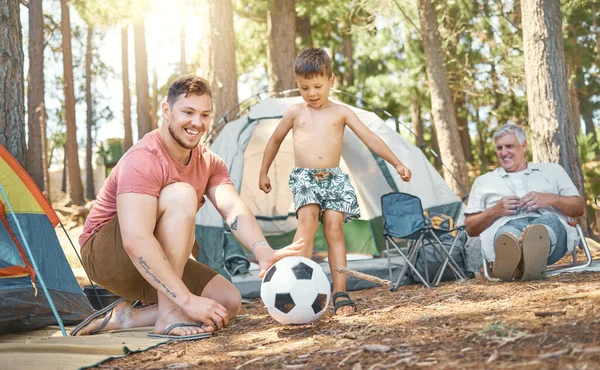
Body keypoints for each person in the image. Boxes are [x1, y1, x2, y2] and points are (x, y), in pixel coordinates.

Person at [72, 75, 304, 339]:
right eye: (188, 112)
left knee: (226, 302)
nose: (197, 123)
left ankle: (127, 318)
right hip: (106, 256)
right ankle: (169, 314)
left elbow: (232, 208)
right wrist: (185, 299)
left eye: (205, 115)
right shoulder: (143, 158)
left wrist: (262, 249)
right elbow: (135, 240)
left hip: (149, 255)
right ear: (166, 111)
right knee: (181, 194)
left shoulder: (209, 162)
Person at [258, 48, 412, 315]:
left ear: (332, 81)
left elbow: (370, 138)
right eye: (305, 88)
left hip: (334, 179)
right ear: (297, 85)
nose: (312, 93)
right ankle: (295, 288)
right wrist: (263, 171)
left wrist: (396, 162)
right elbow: (274, 141)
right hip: (305, 177)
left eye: (318, 86)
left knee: (334, 230)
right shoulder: (295, 112)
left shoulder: (341, 113)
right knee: (306, 227)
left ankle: (340, 292)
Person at [464, 124, 585, 281]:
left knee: (547, 223)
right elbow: (470, 228)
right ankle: (521, 259)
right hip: (507, 227)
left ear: (524, 146)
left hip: (551, 232)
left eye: (509, 146)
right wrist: (495, 210)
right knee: (507, 234)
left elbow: (579, 207)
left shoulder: (552, 171)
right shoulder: (483, 181)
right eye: (499, 148)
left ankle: (519, 263)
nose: (503, 152)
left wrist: (549, 198)